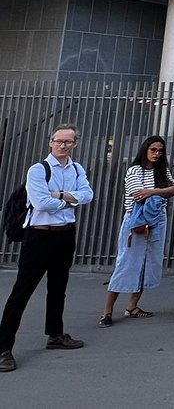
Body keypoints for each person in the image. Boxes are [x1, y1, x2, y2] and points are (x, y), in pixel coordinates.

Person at [0, 124, 94, 372]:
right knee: (22, 292)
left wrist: (60, 195)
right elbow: (41, 203)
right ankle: (3, 348)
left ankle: (55, 335)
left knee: (58, 288)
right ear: (50, 142)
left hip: (65, 236)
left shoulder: (77, 168)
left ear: (75, 143)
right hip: (39, 237)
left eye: (68, 141)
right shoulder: (38, 170)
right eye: (58, 140)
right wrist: (70, 200)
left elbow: (88, 195)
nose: (62, 145)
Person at [99, 135, 174, 327]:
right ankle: (107, 311)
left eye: (160, 151)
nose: (156, 154)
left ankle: (132, 306)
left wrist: (151, 191)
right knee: (126, 264)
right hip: (137, 222)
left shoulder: (163, 171)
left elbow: (173, 189)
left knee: (147, 264)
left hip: (157, 221)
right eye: (153, 150)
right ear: (145, 150)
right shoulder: (134, 170)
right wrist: (159, 191)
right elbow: (138, 195)